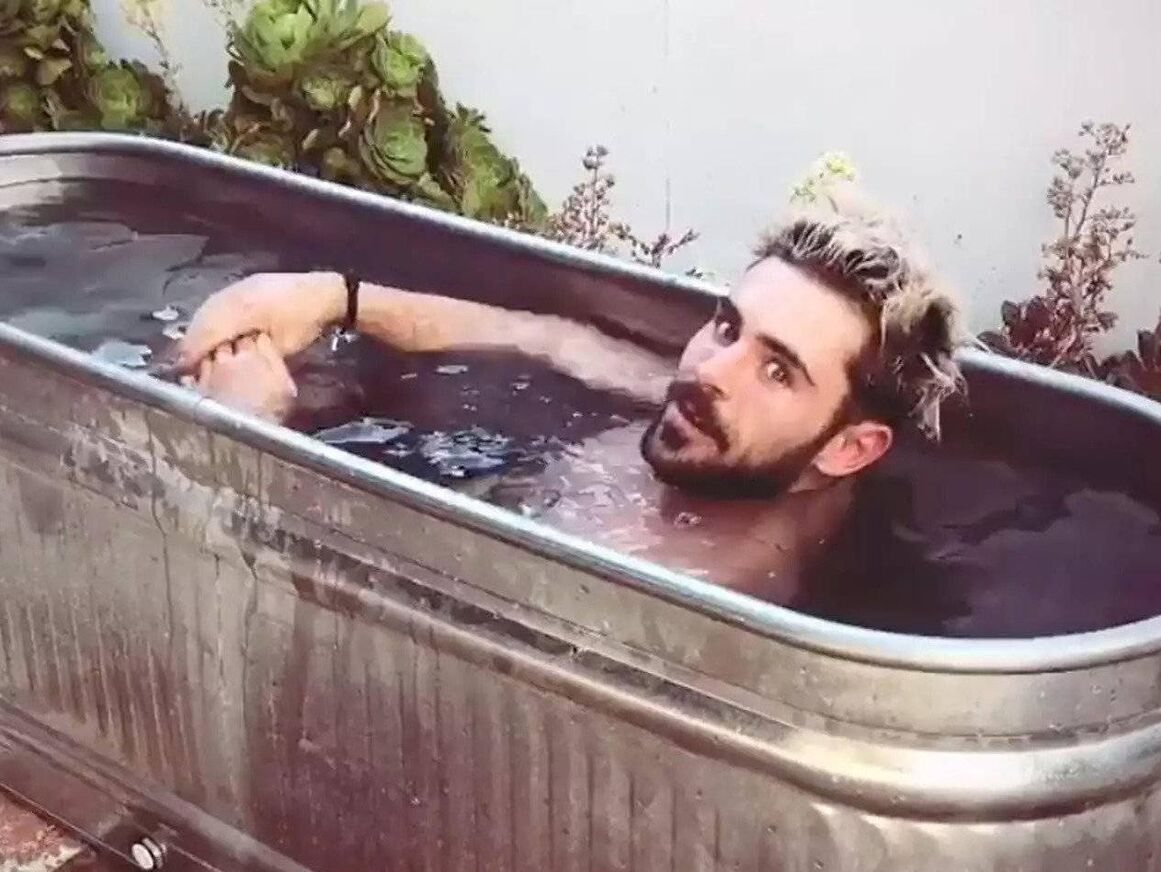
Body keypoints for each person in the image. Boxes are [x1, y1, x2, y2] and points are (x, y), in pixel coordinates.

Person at [176, 189, 963, 603]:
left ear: (850, 448)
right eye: (727, 326)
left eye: (777, 370)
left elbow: (375, 593)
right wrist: (333, 298)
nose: (710, 369)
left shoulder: (691, 574)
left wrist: (254, 430)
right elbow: (547, 337)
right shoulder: (731, 425)